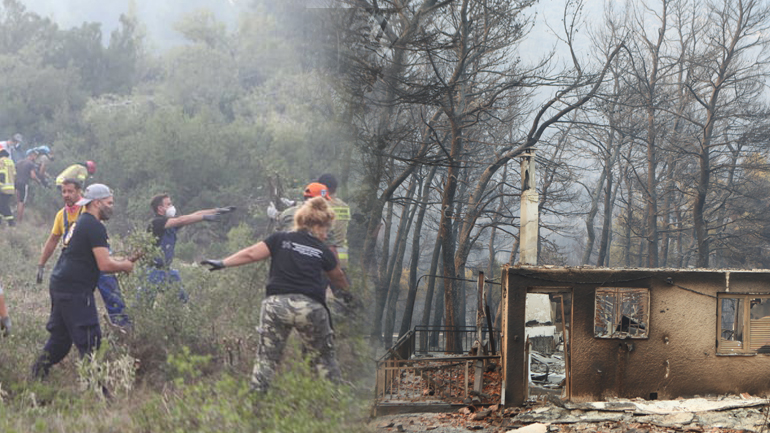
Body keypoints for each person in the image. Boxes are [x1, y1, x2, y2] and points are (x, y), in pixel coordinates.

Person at [201, 197, 352, 393]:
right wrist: (347, 294)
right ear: (317, 225)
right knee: (325, 359)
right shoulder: (323, 250)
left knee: (266, 359)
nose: (327, 233)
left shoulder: (280, 239)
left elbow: (251, 253)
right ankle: (334, 398)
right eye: (326, 228)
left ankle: (256, 398)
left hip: (276, 306)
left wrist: (222, 263)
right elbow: (338, 276)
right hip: (310, 308)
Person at [31, 184, 136, 379]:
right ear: (96, 203)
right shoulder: (94, 226)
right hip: (75, 290)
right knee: (91, 341)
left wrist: (122, 262)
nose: (112, 207)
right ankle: (96, 388)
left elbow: (96, 258)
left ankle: (36, 376)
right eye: (109, 203)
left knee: (60, 341)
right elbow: (104, 264)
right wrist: (125, 266)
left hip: (60, 284)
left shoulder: (82, 222)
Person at [36, 178, 131, 327]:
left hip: (96, 256)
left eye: (70, 191)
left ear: (79, 192)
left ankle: (123, 327)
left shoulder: (89, 211)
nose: (66, 195)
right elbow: (53, 240)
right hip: (76, 262)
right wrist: (41, 264)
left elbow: (100, 250)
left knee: (113, 297)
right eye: (63, 191)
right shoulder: (61, 215)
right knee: (75, 300)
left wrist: (119, 263)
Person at [144, 194, 235, 302]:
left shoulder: (171, 224)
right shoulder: (156, 222)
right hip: (152, 271)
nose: (172, 207)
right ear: (160, 208)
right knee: (143, 302)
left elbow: (193, 215)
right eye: (168, 204)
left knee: (182, 300)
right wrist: (204, 218)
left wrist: (216, 210)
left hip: (167, 271)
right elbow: (181, 220)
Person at [14, 149, 42, 222]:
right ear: (31, 155)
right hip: (24, 184)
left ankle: (16, 218)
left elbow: (14, 173)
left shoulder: (19, 162)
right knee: (22, 202)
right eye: (35, 156)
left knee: (18, 201)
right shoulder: (30, 164)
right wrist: (38, 181)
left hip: (16, 183)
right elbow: (33, 175)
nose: (35, 158)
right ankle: (19, 220)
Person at [0, 148, 15, 226]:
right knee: (2, 205)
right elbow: (14, 174)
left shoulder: (1, 161)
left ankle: (11, 222)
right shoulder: (11, 162)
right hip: (11, 187)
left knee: (3, 205)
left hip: (3, 188)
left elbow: (1, 175)